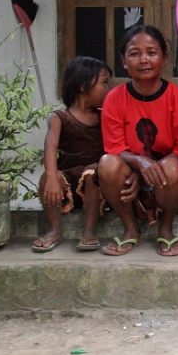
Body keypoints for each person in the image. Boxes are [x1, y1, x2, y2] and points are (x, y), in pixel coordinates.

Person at [98, 24, 178, 257]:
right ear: (123, 61)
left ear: (164, 58)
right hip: (130, 187)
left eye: (151, 52)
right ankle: (131, 229)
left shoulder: (177, 96)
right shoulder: (114, 98)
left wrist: (147, 171)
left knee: (172, 166)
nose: (143, 60)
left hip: (171, 185)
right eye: (134, 53)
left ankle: (166, 228)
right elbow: (115, 147)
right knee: (107, 163)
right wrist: (140, 164)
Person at [32, 56, 117, 253]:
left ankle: (89, 231)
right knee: (47, 177)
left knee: (91, 175)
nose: (108, 89)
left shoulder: (104, 116)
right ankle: (54, 230)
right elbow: (50, 146)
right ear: (82, 86)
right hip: (66, 184)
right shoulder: (60, 117)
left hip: (95, 185)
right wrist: (52, 178)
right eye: (104, 83)